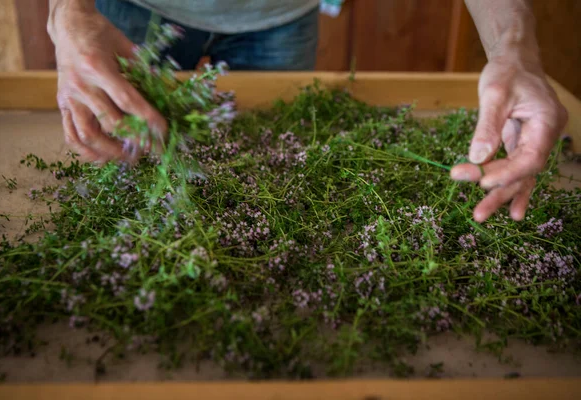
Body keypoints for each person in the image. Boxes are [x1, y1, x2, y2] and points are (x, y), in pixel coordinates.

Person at [47, 0, 568, 223]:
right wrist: (67, 12)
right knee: (132, 155)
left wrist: (513, 47)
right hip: (134, 13)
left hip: (279, 16)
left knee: (269, 157)